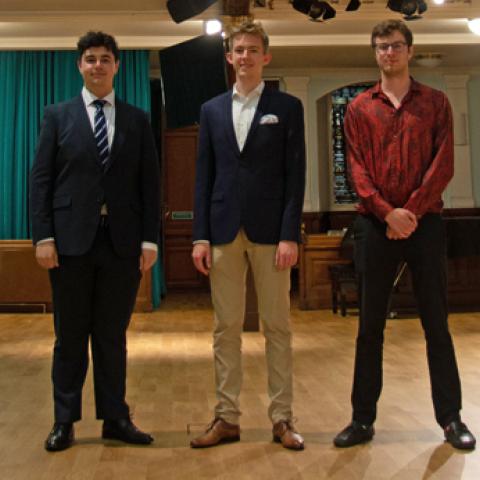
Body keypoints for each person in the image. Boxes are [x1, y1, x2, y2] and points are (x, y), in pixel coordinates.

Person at [333, 19, 476, 450]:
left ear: (410, 51)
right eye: (380, 47)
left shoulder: (435, 103)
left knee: (437, 324)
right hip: (373, 226)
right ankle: (362, 420)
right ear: (375, 53)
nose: (388, 53)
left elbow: (443, 165)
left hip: (424, 224)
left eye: (395, 46)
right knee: (369, 327)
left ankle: (451, 419)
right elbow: (356, 170)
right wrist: (386, 213)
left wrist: (409, 212)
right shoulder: (358, 107)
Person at [30, 31, 160, 451]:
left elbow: (149, 185)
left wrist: (150, 241)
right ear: (80, 66)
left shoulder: (138, 119)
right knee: (70, 337)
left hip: (121, 244)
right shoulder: (57, 115)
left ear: (117, 66)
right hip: (69, 243)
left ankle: (115, 418)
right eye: (90, 59)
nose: (98, 65)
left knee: (111, 336)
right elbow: (42, 181)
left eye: (106, 59)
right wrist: (43, 235)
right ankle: (64, 420)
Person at [190, 20, 306, 450]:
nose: (245, 57)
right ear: (229, 57)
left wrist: (290, 234)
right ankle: (227, 417)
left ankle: (282, 418)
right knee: (225, 329)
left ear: (266, 56)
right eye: (238, 50)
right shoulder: (211, 109)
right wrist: (199, 235)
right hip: (221, 232)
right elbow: (203, 177)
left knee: (277, 327)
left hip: (271, 235)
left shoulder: (287, 107)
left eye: (253, 50)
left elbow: (295, 177)